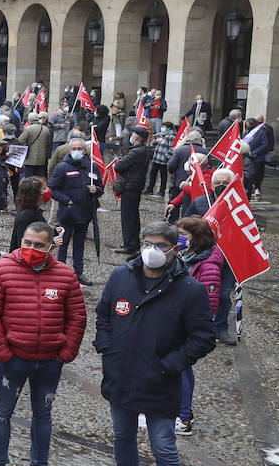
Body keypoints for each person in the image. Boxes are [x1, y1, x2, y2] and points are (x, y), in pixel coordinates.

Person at [95, 221, 216, 466]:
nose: (153, 250)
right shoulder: (120, 276)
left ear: (175, 249)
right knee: (122, 436)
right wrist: (107, 347)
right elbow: (104, 315)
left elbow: (204, 338)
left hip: (159, 382)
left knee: (163, 446)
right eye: (148, 244)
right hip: (121, 376)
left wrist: (171, 364)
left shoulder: (190, 290)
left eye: (161, 245)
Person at [0, 221, 86, 466]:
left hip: (50, 361)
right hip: (14, 359)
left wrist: (65, 353)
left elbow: (77, 317)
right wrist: (3, 353)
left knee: (43, 416)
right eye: (27, 243)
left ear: (52, 246)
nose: (31, 248)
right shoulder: (0, 270)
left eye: (39, 245)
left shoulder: (66, 275)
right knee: (2, 413)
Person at [174, 217, 223, 436]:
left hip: (188, 326)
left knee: (181, 368)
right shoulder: (188, 256)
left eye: (183, 235)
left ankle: (183, 419)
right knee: (184, 369)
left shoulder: (208, 265)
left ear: (197, 238)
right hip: (179, 321)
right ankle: (183, 413)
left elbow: (208, 304)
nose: (179, 239)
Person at [48, 139, 102, 285]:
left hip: (85, 213)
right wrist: (67, 200)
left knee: (80, 244)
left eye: (80, 148)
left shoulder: (92, 167)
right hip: (67, 213)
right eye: (74, 148)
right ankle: (60, 272)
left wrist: (96, 190)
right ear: (70, 150)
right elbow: (52, 189)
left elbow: (101, 187)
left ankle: (78, 272)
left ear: (85, 151)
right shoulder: (62, 168)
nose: (77, 151)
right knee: (63, 243)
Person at [114, 126, 152, 255]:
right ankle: (133, 242)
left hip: (131, 186)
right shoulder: (142, 150)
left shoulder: (136, 152)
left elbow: (118, 167)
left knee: (128, 216)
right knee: (133, 215)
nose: (131, 136)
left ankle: (129, 245)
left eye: (133, 134)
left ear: (136, 138)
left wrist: (119, 161)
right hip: (135, 186)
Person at [9, 176, 50, 252]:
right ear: (35, 195)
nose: (47, 191)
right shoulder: (26, 216)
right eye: (44, 189)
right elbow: (23, 246)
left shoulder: (33, 211)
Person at [18, 112, 53, 179]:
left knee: (29, 179)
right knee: (39, 179)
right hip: (42, 159)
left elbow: (20, 141)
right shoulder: (46, 129)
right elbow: (48, 143)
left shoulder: (28, 129)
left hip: (29, 159)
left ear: (30, 120)